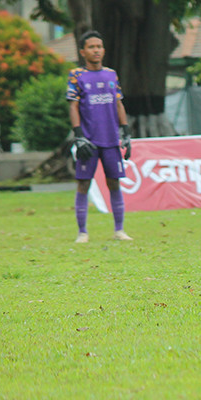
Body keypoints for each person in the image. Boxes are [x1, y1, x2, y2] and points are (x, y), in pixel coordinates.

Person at [66, 30, 133, 242]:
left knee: (114, 183)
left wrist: (126, 132)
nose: (96, 50)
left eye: (99, 47)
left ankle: (119, 230)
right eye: (91, 47)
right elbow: (73, 106)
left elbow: (119, 103)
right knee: (83, 184)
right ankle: (82, 232)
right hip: (89, 140)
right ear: (83, 52)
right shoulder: (76, 75)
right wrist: (78, 135)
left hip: (111, 140)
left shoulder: (111, 74)